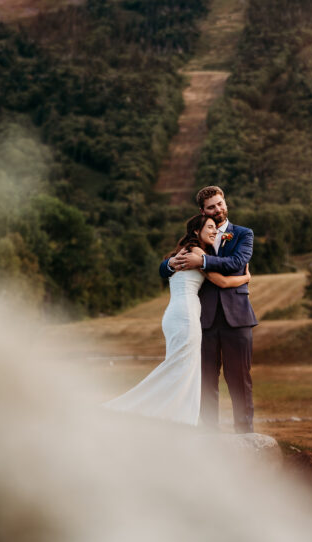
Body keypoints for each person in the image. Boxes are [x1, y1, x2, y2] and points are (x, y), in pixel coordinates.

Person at [104, 214, 250, 425]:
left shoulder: (185, 252)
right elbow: (222, 282)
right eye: (209, 227)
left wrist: (169, 264)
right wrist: (246, 278)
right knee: (182, 366)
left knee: (179, 365)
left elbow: (167, 268)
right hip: (187, 314)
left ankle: (171, 416)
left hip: (175, 313)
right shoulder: (197, 253)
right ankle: (156, 413)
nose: (214, 231)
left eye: (215, 228)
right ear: (196, 232)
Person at [160, 186, 257, 434]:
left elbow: (236, 263)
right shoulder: (197, 238)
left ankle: (245, 434)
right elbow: (165, 267)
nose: (218, 209)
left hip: (237, 317)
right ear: (203, 211)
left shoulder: (244, 234)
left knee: (239, 380)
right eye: (212, 207)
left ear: (225, 202)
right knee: (205, 382)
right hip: (202, 319)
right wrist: (169, 264)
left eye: (220, 203)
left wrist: (202, 261)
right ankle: (210, 436)